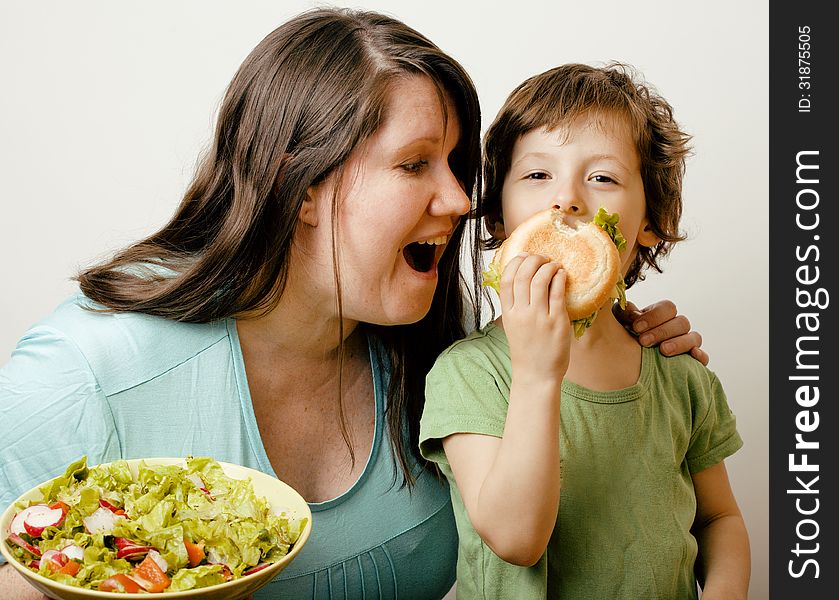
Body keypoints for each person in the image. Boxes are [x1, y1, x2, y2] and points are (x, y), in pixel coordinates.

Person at [0, 10, 706, 599]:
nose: (462, 202)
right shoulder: (79, 378)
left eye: (458, 168)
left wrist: (630, 361)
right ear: (300, 184)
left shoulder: (438, 345)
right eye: (413, 164)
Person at [419, 63, 751, 600]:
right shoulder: (470, 373)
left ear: (648, 222)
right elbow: (515, 539)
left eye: (602, 177)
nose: (566, 199)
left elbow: (719, 519)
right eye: (536, 175)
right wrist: (536, 373)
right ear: (498, 219)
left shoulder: (679, 372)